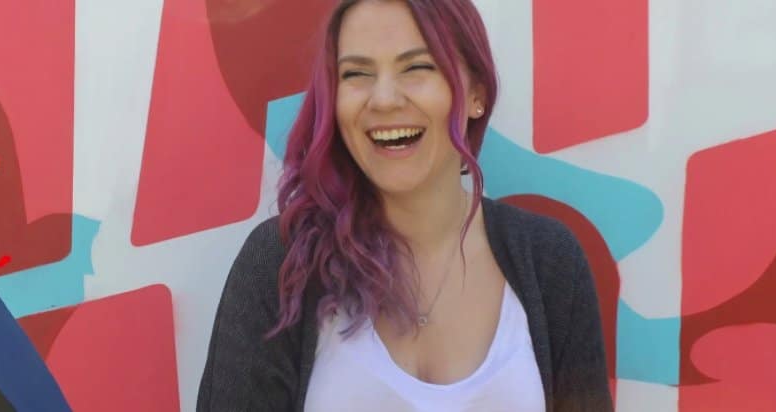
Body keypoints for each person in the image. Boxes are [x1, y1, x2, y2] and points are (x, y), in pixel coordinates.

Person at [196, 0, 613, 411]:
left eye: (416, 67)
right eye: (356, 73)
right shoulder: (283, 262)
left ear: (477, 95)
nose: (383, 99)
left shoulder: (549, 260)